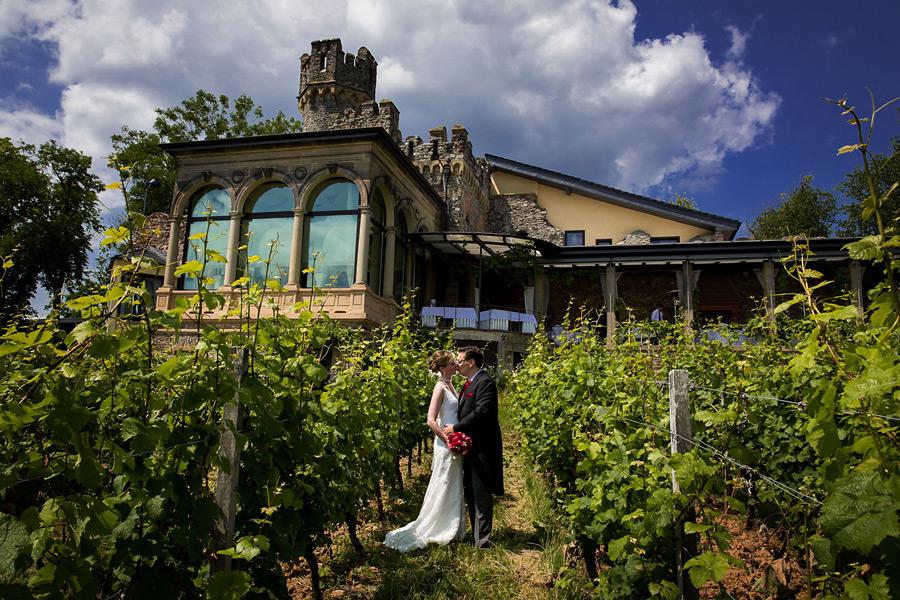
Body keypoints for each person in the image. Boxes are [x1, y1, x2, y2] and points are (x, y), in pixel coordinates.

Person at [384, 350, 466, 552]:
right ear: (442, 368)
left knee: (453, 484)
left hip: (454, 441)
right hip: (446, 443)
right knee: (443, 482)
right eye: (452, 362)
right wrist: (449, 441)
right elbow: (431, 420)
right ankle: (438, 526)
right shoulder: (439, 388)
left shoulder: (451, 385)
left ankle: (451, 527)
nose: (456, 364)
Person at [443, 346, 504, 549]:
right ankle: (477, 536)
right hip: (470, 448)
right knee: (471, 492)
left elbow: (482, 412)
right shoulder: (469, 383)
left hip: (482, 448)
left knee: (481, 493)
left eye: (459, 361)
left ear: (471, 362)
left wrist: (456, 428)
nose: (457, 365)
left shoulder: (485, 383)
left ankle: (483, 541)